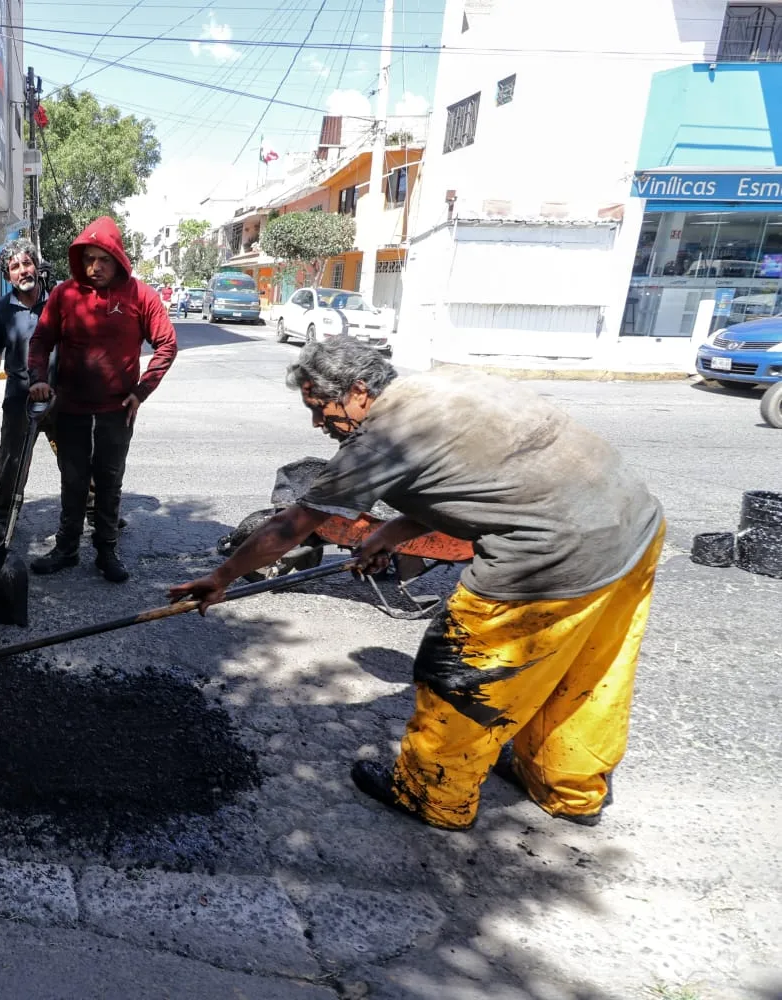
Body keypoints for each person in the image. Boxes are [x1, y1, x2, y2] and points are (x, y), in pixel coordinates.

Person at [169, 338, 665, 830]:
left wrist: (220, 579)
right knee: (587, 670)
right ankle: (565, 785)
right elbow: (471, 480)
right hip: (632, 528)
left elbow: (289, 527)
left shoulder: (380, 440)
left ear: (359, 391)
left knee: (463, 671)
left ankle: (434, 794)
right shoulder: (443, 385)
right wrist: (389, 533)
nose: (318, 424)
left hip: (553, 553)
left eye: (320, 408)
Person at [26, 217, 178, 583]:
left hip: (116, 410)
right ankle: (66, 548)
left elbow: (167, 345)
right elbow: (40, 340)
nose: (95, 267)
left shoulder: (141, 295)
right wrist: (39, 380)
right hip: (72, 408)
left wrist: (141, 392)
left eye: (103, 259)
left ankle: (107, 550)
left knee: (109, 482)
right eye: (89, 259)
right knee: (72, 480)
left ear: (118, 259)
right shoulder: (65, 294)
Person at [0, 238, 48, 543]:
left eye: (26, 263)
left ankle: (95, 511)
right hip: (20, 396)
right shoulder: (2, 309)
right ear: (8, 275)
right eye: (14, 267)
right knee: (12, 459)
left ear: (37, 266)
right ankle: (3, 516)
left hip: (58, 394)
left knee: (78, 457)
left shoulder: (58, 302)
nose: (22, 271)